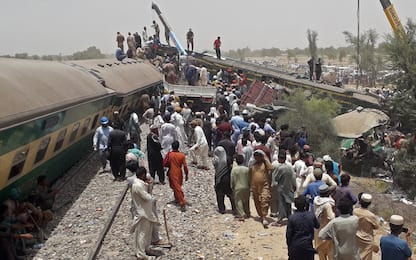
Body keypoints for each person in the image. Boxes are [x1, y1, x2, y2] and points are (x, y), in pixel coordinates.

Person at [130, 166, 160, 259]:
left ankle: (145, 249)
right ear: (143, 175)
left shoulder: (140, 183)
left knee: (147, 233)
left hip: (146, 212)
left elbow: (148, 193)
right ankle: (141, 254)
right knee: (142, 234)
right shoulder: (138, 185)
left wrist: (149, 185)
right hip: (143, 214)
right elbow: (148, 198)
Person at [286, 195, 320, 260]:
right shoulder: (311, 215)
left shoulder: (292, 218)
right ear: (306, 204)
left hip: (295, 246)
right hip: (307, 246)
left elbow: (288, 235)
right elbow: (317, 226)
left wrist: (289, 248)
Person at [249, 149, 274, 228]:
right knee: (257, 201)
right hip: (255, 186)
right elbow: (249, 175)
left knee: (265, 199)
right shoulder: (253, 165)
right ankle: (261, 215)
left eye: (259, 156)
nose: (257, 158)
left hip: (264, 185)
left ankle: (264, 216)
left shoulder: (265, 164)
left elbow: (271, 168)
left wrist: (265, 159)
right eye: (255, 156)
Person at [272, 151, 296, 226]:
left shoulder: (280, 168)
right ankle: (289, 218)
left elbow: (276, 178)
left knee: (281, 204)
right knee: (288, 203)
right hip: (289, 187)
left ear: (279, 159)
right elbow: (293, 177)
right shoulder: (289, 167)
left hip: (281, 188)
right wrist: (294, 185)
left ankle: (279, 220)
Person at [353, 193, 380, 260]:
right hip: (367, 241)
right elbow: (377, 226)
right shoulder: (371, 215)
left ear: (360, 201)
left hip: (355, 237)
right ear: (369, 203)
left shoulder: (354, 211)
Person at [164, 141, 189, 211]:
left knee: (177, 187)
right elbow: (185, 166)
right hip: (179, 173)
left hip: (172, 172)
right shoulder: (182, 155)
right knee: (177, 186)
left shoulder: (170, 154)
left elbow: (165, 163)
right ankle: (177, 198)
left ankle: (182, 202)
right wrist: (186, 174)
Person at [314, 184, 335, 260]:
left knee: (321, 253)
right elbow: (332, 217)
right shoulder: (327, 204)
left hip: (318, 230)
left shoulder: (316, 200)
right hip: (327, 231)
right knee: (330, 252)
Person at [213, 146, 236, 214]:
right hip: (227, 178)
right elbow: (230, 167)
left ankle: (221, 209)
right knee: (230, 193)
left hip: (218, 178)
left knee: (219, 194)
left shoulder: (215, 160)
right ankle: (234, 208)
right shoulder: (227, 159)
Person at [230, 155, 250, 220]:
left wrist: (232, 186)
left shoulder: (234, 170)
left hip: (237, 187)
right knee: (246, 200)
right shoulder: (247, 169)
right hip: (246, 186)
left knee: (238, 201)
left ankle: (241, 214)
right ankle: (247, 212)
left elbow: (232, 179)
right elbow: (249, 179)